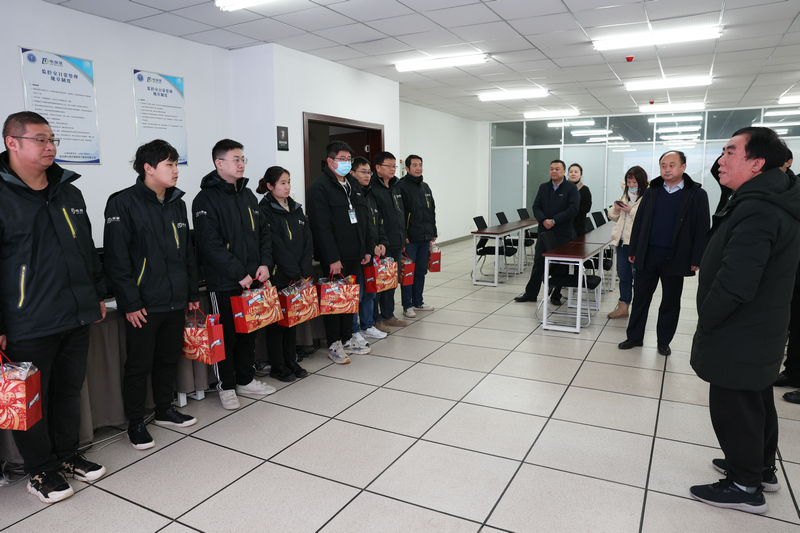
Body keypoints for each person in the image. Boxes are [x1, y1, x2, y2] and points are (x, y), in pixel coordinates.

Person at [689, 127, 800, 513]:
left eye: (730, 152)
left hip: (739, 327)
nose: (721, 160)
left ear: (757, 164)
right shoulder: (769, 198)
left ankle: (743, 485)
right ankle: (760, 468)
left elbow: (736, 283)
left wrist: (708, 319)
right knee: (756, 400)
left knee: (734, 407)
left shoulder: (758, 209)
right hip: (760, 325)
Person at [0, 111, 107, 503]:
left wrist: (97, 294)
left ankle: (66, 455)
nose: (50, 147)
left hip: (75, 313)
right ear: (12, 142)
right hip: (27, 320)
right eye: (40, 139)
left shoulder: (68, 191)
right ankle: (40, 470)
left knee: (68, 392)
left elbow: (86, 250)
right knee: (31, 400)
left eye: (52, 140)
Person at [103, 140, 200, 449]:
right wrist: (130, 302)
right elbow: (116, 259)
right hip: (144, 304)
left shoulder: (177, 202)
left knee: (168, 359)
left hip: (175, 299)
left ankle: (164, 410)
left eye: (176, 164)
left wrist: (191, 293)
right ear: (148, 168)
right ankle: (135, 423)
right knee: (139, 365)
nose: (176, 170)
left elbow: (187, 253)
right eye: (169, 164)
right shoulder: (123, 203)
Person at [192, 139, 275, 410]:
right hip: (225, 282)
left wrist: (265, 263)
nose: (241, 164)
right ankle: (226, 386)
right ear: (219, 163)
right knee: (226, 336)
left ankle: (245, 379)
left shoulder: (248, 195)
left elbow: (264, 233)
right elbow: (210, 245)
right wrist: (239, 273)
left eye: (242, 159)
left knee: (248, 333)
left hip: (253, 280)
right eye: (235, 159)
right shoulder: (205, 199)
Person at [617, 151, 709, 356]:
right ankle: (634, 337)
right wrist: (634, 249)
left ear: (683, 167)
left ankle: (663, 341)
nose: (667, 169)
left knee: (670, 301)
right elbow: (640, 222)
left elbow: (702, 228)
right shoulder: (652, 191)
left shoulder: (696, 194)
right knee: (641, 298)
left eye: (672, 165)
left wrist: (697, 257)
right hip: (648, 255)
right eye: (663, 166)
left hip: (676, 257)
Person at [306, 141, 371, 364]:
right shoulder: (319, 188)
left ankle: (346, 338)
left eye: (348, 159)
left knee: (349, 299)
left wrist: (366, 249)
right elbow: (321, 227)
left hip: (354, 253)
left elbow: (362, 219)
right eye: (342, 159)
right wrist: (333, 258)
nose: (346, 163)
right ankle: (333, 343)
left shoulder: (352, 184)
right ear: (330, 161)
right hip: (335, 258)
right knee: (334, 301)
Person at [256, 166, 310, 382]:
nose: (287, 187)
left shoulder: (295, 208)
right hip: (279, 275)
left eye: (288, 182)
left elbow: (307, 240)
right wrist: (296, 271)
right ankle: (278, 364)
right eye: (282, 183)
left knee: (292, 320)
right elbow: (275, 246)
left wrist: (304, 270)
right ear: (270, 186)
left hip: (296, 275)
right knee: (277, 323)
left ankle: (290, 359)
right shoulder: (264, 210)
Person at [514, 160, 579, 303]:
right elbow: (536, 207)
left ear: (563, 171)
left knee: (560, 265)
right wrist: (544, 220)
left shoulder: (571, 188)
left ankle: (556, 295)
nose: (554, 171)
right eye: (551, 169)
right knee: (539, 263)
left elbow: (573, 209)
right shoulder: (543, 187)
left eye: (557, 169)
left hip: (562, 232)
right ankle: (530, 294)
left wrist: (554, 220)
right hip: (544, 232)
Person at [350, 157, 388, 342]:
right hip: (359, 253)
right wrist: (369, 246)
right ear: (352, 173)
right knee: (358, 294)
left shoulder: (370, 194)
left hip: (373, 252)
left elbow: (377, 222)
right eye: (363, 172)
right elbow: (357, 228)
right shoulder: (350, 196)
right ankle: (354, 329)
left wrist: (382, 242)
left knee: (371, 292)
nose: (367, 176)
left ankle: (367, 325)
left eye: (369, 172)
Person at [370, 151, 408, 329]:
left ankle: (388, 315)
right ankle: (375, 319)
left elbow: (400, 214)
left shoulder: (396, 186)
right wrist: (378, 242)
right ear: (378, 168)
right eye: (389, 166)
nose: (393, 169)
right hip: (381, 245)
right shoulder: (372, 189)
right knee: (378, 284)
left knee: (391, 282)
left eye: (394, 166)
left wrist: (403, 237)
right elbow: (374, 219)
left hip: (397, 242)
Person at [398, 155, 437, 318]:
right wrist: (404, 235)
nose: (418, 168)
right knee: (408, 272)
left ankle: (418, 302)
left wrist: (433, 232)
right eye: (414, 165)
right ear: (407, 168)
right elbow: (400, 214)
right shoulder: (401, 187)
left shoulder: (425, 187)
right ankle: (407, 305)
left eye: (420, 164)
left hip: (425, 237)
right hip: (410, 239)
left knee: (421, 271)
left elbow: (431, 211)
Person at [606, 166, 648, 319]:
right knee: (623, 275)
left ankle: (639, 307)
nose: (631, 185)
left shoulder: (648, 195)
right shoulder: (625, 194)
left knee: (638, 277)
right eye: (629, 182)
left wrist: (631, 210)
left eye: (634, 182)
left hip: (637, 243)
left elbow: (648, 218)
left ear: (641, 181)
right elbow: (612, 215)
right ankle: (623, 306)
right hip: (622, 242)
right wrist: (617, 209)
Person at [568, 163, 592, 239]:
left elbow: (586, 207)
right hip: (563, 224)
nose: (573, 174)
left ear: (580, 175)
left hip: (578, 224)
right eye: (571, 172)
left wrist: (571, 212)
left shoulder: (585, 189)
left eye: (576, 172)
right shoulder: (562, 188)